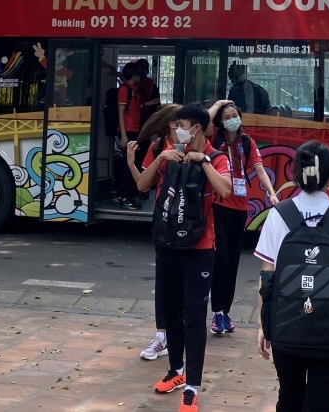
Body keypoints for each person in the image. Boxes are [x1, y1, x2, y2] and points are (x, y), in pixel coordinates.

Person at [254, 141, 329, 412]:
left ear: (295, 175)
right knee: (321, 404)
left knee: (289, 398)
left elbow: (266, 277)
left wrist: (265, 324)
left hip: (286, 328)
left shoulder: (277, 216)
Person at [131, 102, 232, 412]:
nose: (175, 131)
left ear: (196, 129)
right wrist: (160, 156)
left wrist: (203, 163)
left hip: (200, 250)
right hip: (167, 246)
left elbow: (225, 191)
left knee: (193, 317)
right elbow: (142, 185)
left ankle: (192, 386)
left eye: (180, 125)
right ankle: (176, 371)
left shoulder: (216, 157)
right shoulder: (168, 153)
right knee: (171, 312)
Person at [209, 101, 278, 336]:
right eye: (226, 116)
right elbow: (200, 124)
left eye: (234, 115)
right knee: (221, 258)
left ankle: (224, 312)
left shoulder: (247, 142)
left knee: (233, 262)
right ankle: (216, 311)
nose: (231, 119)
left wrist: (271, 192)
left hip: (239, 208)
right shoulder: (214, 139)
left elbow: (259, 169)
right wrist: (218, 104)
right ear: (220, 120)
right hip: (217, 205)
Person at [128, 105, 182, 362]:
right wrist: (132, 162)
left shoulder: (198, 147)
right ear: (172, 124)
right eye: (182, 121)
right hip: (164, 220)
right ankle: (162, 335)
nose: (188, 127)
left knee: (186, 282)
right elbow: (143, 184)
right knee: (163, 280)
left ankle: (179, 333)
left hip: (192, 222)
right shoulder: (158, 148)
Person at [113, 66, 144, 209]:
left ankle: (123, 192)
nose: (140, 77)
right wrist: (124, 135)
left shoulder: (134, 90)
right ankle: (124, 196)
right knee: (128, 164)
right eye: (138, 74)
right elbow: (121, 112)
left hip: (134, 130)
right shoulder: (125, 89)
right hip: (128, 131)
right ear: (134, 75)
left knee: (130, 163)